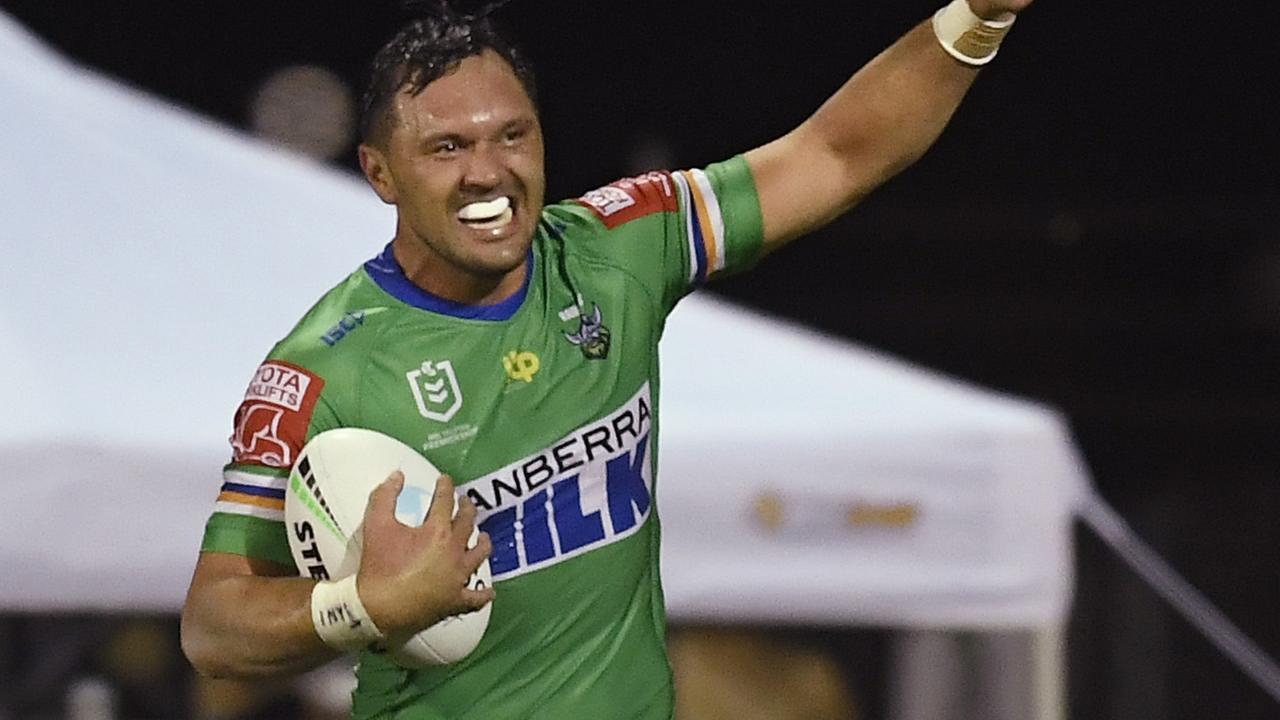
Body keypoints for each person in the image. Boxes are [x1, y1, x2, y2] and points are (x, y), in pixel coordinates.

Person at [180, 0, 1035, 716]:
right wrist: (365, 605)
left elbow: (834, 154)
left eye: (511, 136)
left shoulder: (619, 249)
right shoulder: (324, 371)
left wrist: (975, 18)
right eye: (447, 148)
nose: (489, 172)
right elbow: (214, 629)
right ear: (379, 173)